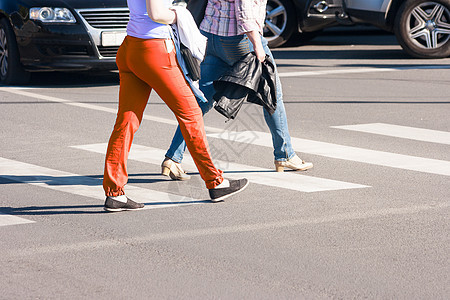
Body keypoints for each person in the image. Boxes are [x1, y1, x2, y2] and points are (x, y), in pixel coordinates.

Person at [102, 0, 249, 212]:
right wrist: (180, 14)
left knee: (126, 122)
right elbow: (156, 14)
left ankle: (115, 192)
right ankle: (216, 182)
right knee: (191, 114)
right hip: (154, 50)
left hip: (131, 47)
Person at [161, 0, 314, 180]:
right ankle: (285, 155)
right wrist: (258, 46)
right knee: (272, 95)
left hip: (210, 35)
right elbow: (245, 10)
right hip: (239, 39)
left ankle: (173, 158)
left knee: (201, 101)